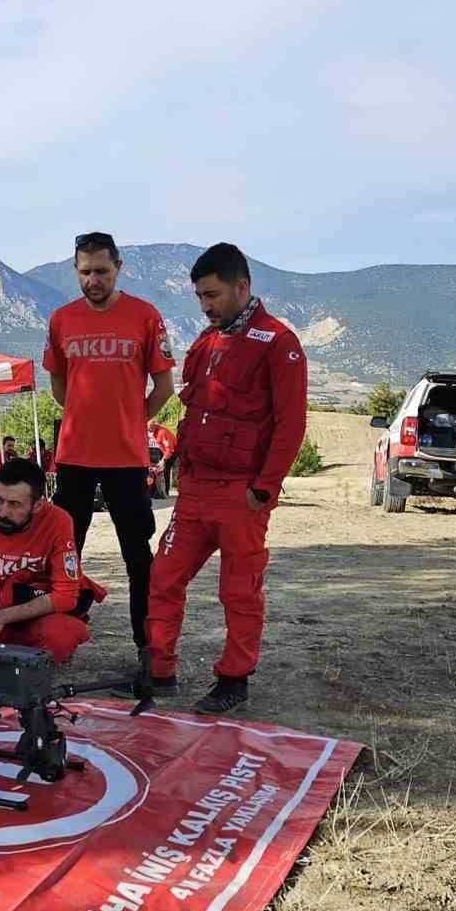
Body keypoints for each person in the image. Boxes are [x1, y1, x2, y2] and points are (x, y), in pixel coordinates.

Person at [145, 243, 307, 715]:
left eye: (212, 295)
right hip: (195, 491)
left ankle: (234, 678)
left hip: (241, 494)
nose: (205, 306)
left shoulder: (279, 342)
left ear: (242, 286)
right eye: (199, 296)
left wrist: (265, 488)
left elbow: (290, 423)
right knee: (164, 577)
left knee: (238, 590)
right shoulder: (207, 342)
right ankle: (159, 670)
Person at [42, 231, 175, 653]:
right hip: (75, 458)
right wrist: (87, 417)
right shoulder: (61, 319)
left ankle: (147, 648)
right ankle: (54, 640)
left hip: (127, 458)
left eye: (102, 271)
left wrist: (132, 419)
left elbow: (165, 386)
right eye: (86, 272)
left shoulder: (145, 315)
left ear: (118, 267)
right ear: (75, 271)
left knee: (138, 558)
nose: (93, 280)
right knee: (64, 554)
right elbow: (58, 387)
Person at [0, 457, 104, 671]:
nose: (2, 512)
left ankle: (26, 657)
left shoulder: (59, 522)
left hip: (34, 611)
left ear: (38, 504)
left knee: (60, 637)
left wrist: (3, 616)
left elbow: (66, 595)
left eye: (14, 504)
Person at [148, 419, 178, 492]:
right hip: (163, 450)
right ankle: (155, 489)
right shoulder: (153, 432)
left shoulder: (162, 432)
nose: (149, 431)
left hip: (172, 451)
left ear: (154, 427)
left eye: (150, 429)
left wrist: (163, 460)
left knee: (165, 469)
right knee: (156, 468)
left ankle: (165, 491)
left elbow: (169, 449)